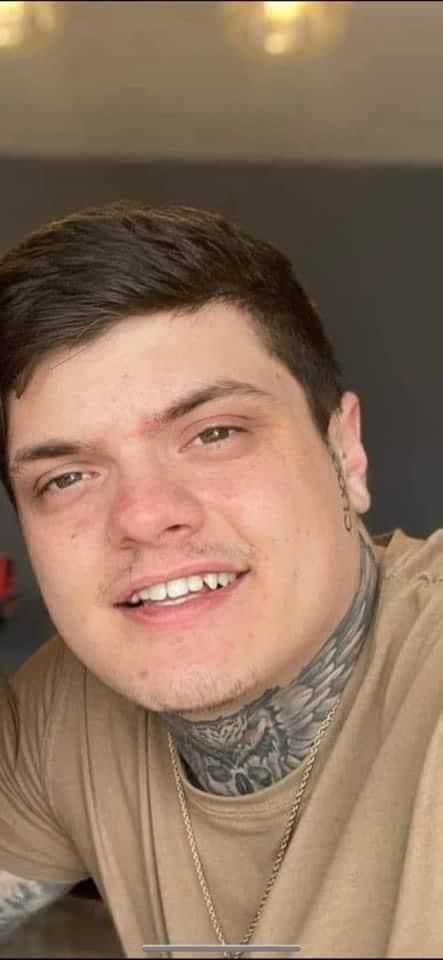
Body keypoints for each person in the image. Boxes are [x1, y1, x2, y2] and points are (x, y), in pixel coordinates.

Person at [0, 201, 441, 960]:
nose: (143, 515)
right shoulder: (62, 710)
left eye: (213, 434)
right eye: (68, 476)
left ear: (346, 452)